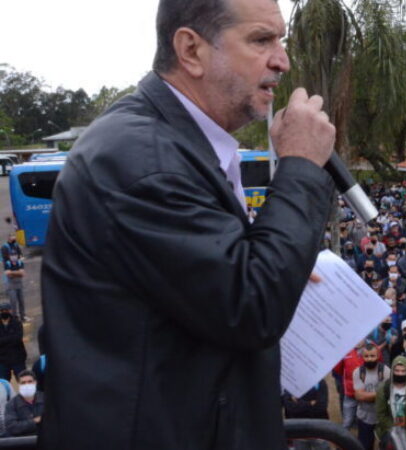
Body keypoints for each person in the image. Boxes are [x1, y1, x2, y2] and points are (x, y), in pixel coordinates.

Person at [39, 0, 339, 447]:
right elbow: (250, 306)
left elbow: (208, 285)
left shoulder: (176, 143)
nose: (282, 60)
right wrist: (299, 167)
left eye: (280, 41)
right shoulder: (141, 159)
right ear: (191, 51)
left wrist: (281, 259)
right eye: (261, 40)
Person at [374, 355, 406, 445]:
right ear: (392, 371)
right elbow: (381, 413)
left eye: (403, 371)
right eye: (397, 370)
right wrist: (395, 431)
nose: (400, 374)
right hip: (389, 432)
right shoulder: (383, 388)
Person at [354, 344, 390, 450]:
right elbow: (359, 396)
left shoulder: (386, 371)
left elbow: (388, 394)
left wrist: (367, 395)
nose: (369, 359)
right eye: (367, 356)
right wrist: (380, 394)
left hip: (383, 417)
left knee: (385, 445)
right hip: (364, 417)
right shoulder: (358, 372)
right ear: (362, 357)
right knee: (365, 446)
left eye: (372, 356)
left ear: (378, 355)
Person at [334, 341, 366, 430]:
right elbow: (338, 369)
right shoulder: (346, 351)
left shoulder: (370, 350)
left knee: (365, 422)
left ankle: (363, 442)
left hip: (366, 394)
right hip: (350, 393)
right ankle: (342, 440)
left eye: (361, 338)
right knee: (347, 421)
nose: (359, 341)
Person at [4, 370, 42, 437]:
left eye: (30, 382)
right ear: (18, 384)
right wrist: (35, 421)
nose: (27, 385)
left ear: (35, 382)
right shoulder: (11, 405)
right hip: (21, 442)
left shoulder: (46, 399)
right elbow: (12, 427)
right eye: (23, 383)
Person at [1, 235, 25, 322]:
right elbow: (8, 273)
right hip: (11, 283)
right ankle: (15, 318)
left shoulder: (16, 246)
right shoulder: (4, 247)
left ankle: (23, 316)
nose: (14, 239)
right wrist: (16, 272)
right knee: (13, 302)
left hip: (18, 283)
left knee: (21, 301)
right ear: (9, 238)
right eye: (12, 237)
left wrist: (14, 272)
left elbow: (22, 273)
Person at [0, 303, 25, 382]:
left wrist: (3, 341)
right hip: (2, 359)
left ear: (10, 311)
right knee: (3, 385)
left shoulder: (16, 322)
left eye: (6, 310)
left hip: (18, 358)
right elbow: (14, 339)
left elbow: (18, 338)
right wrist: (11, 339)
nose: (4, 312)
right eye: (2, 311)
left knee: (23, 381)